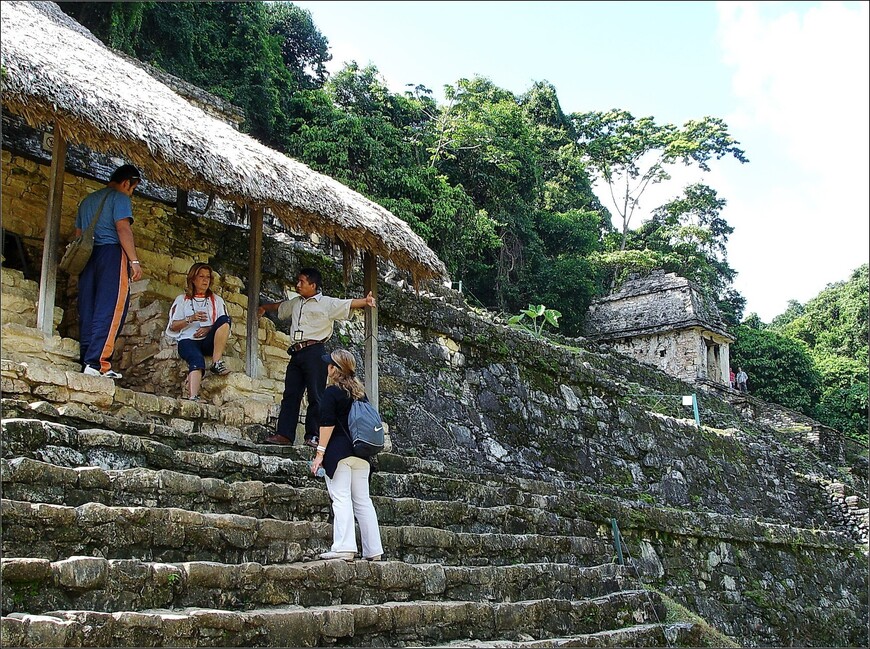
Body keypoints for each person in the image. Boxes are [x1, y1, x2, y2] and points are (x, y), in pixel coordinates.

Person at [257, 267, 376, 447]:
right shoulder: (296, 302)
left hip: (315, 351)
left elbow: (346, 303)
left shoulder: (326, 303)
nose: (298, 285)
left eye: (302, 282)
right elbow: (280, 307)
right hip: (296, 352)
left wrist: (365, 301)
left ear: (313, 285)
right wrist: (264, 307)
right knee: (290, 394)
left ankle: (312, 435)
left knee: (316, 394)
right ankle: (284, 434)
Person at [311, 349, 384, 561]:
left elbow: (327, 424)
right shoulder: (361, 394)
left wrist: (319, 454)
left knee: (341, 498)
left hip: (339, 454)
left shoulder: (332, 393)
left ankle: (344, 547)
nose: (327, 367)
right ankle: (374, 550)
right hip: (362, 454)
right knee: (363, 502)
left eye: (329, 365)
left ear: (334, 369)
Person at [77, 164, 143, 379]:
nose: (130, 194)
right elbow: (123, 229)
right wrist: (134, 261)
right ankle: (98, 363)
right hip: (111, 255)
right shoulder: (120, 198)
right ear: (126, 183)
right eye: (132, 189)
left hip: (87, 257)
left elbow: (78, 234)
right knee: (111, 308)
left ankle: (86, 359)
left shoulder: (87, 202)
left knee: (89, 309)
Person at [165, 263, 232, 402]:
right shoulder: (182, 299)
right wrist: (191, 319)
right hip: (188, 340)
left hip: (208, 341)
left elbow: (225, 325)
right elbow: (173, 326)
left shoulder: (217, 301)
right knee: (196, 359)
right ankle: (193, 397)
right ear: (193, 279)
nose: (205, 280)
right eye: (201, 276)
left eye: (208, 277)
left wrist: (209, 329)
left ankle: (216, 362)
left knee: (225, 319)